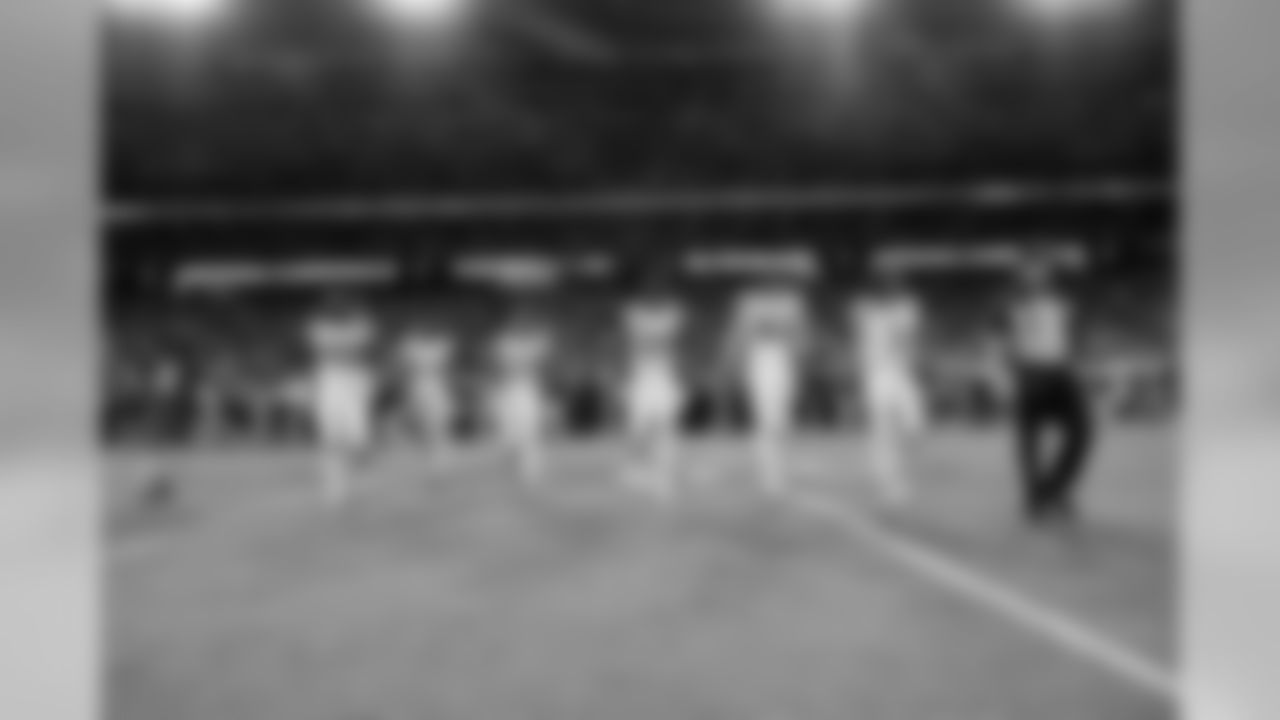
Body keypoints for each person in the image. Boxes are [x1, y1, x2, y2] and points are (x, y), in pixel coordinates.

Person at [1004, 258, 1093, 527]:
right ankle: (1037, 497)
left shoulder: (1062, 305)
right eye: (1029, 274)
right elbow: (1001, 343)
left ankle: (1053, 489)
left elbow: (1072, 337)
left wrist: (1076, 364)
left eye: (1040, 273)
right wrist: (1010, 373)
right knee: (1029, 440)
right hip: (1031, 373)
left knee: (1082, 431)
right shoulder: (1011, 307)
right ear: (1021, 278)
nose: (1036, 278)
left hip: (1060, 372)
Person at [851, 271, 927, 507]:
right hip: (877, 375)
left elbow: (909, 338)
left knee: (915, 425)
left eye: (893, 286)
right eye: (885, 287)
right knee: (883, 431)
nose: (890, 290)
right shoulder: (865, 311)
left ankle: (889, 471)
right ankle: (888, 482)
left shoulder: (906, 309)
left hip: (902, 374)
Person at [730, 284, 809, 495]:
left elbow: (800, 338)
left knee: (782, 422)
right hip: (761, 362)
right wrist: (740, 364)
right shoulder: (749, 304)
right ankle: (769, 475)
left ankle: (778, 470)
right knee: (766, 422)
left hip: (782, 361)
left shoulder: (790, 304)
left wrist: (798, 357)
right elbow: (741, 337)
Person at [305, 297, 378, 505]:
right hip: (330, 380)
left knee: (357, 439)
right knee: (331, 439)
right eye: (334, 307)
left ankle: (355, 479)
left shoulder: (359, 326)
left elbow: (364, 350)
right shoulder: (320, 328)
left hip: (354, 381)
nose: (338, 310)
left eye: (342, 307)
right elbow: (330, 350)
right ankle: (335, 491)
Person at [620, 295, 687, 499]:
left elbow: (671, 324)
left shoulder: (666, 318)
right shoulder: (638, 318)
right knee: (639, 431)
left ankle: (662, 478)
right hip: (644, 379)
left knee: (664, 430)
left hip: (661, 379)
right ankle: (640, 472)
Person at [490, 316, 553, 486]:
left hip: (525, 390)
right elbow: (501, 366)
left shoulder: (523, 345)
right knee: (511, 433)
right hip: (512, 390)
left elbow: (541, 350)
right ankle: (516, 469)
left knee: (529, 432)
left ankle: (530, 472)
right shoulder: (507, 345)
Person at [398, 323, 457, 464]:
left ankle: (440, 453)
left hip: (436, 383)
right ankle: (430, 452)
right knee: (423, 420)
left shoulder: (439, 345)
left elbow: (447, 363)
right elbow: (404, 366)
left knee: (440, 418)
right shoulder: (411, 345)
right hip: (419, 384)